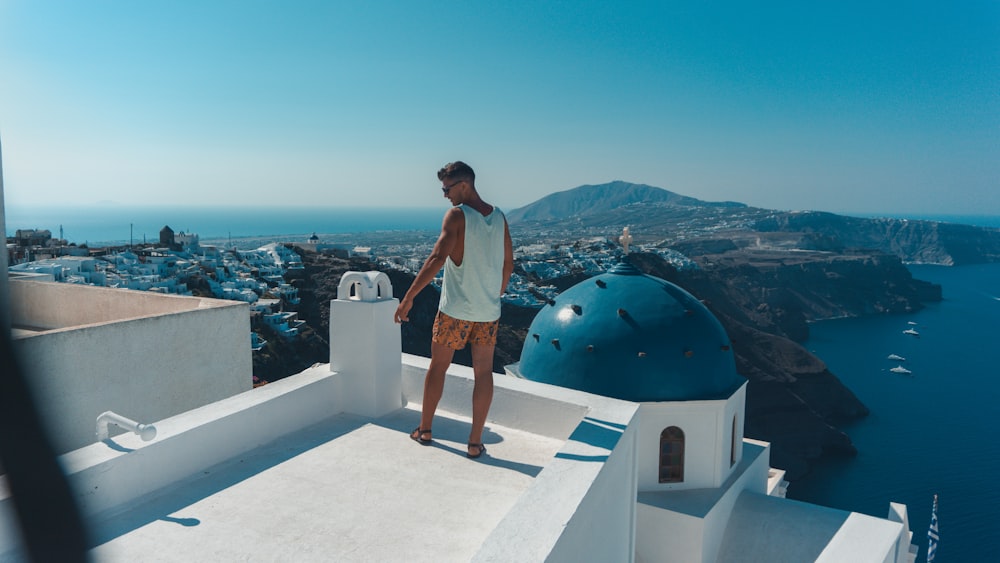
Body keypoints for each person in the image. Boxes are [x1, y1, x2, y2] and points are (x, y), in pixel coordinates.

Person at [394, 161, 514, 459]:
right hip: (488, 312)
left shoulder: (457, 216)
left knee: (438, 367)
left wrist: (408, 298)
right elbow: (508, 263)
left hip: (455, 311)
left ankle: (425, 430)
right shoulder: (499, 217)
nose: (445, 195)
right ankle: (474, 444)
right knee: (484, 373)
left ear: (464, 185)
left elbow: (437, 257)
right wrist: (495, 292)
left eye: (447, 189)